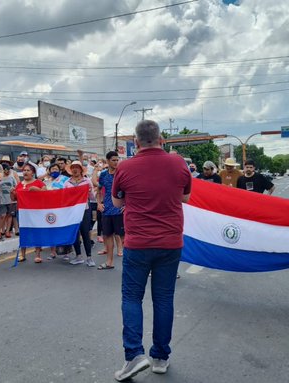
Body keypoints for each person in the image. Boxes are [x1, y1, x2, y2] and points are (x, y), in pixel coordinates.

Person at [111, 120, 192, 381]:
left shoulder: (124, 166)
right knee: (164, 298)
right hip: (170, 243)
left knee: (132, 298)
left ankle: (134, 355)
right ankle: (160, 357)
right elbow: (185, 197)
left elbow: (116, 200)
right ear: (162, 140)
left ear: (136, 142)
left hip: (137, 244)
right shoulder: (178, 162)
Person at [64, 161, 95, 267]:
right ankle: (78, 256)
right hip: (72, 211)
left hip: (84, 210)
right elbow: (64, 197)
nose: (75, 169)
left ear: (81, 169)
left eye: (77, 167)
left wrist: (90, 191)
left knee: (85, 233)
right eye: (73, 167)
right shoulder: (67, 183)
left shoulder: (87, 181)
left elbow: (92, 197)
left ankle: (89, 258)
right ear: (70, 170)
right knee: (75, 233)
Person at [97, 151, 124, 269]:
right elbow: (98, 190)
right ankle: (109, 261)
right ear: (107, 161)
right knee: (107, 235)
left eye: (117, 160)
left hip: (119, 210)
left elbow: (128, 191)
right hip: (107, 209)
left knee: (123, 236)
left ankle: (129, 263)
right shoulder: (103, 174)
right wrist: (99, 203)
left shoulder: (122, 174)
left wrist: (126, 205)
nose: (116, 162)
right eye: (113, 160)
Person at [17, 162, 46, 263]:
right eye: (24, 170)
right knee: (23, 232)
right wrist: (13, 192)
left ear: (33, 172)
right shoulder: (19, 184)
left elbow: (47, 194)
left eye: (28, 170)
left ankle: (37, 255)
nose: (25, 172)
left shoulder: (38, 182)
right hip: (23, 212)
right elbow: (14, 198)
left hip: (36, 212)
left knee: (37, 232)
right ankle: (22, 254)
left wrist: (36, 189)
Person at [0, 163, 17, 239]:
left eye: (9, 169)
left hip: (10, 200)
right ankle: (0, 231)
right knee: (2, 216)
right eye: (6, 169)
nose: (8, 171)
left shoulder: (12, 178)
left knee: (9, 215)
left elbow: (16, 186)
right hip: (2, 200)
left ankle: (7, 231)